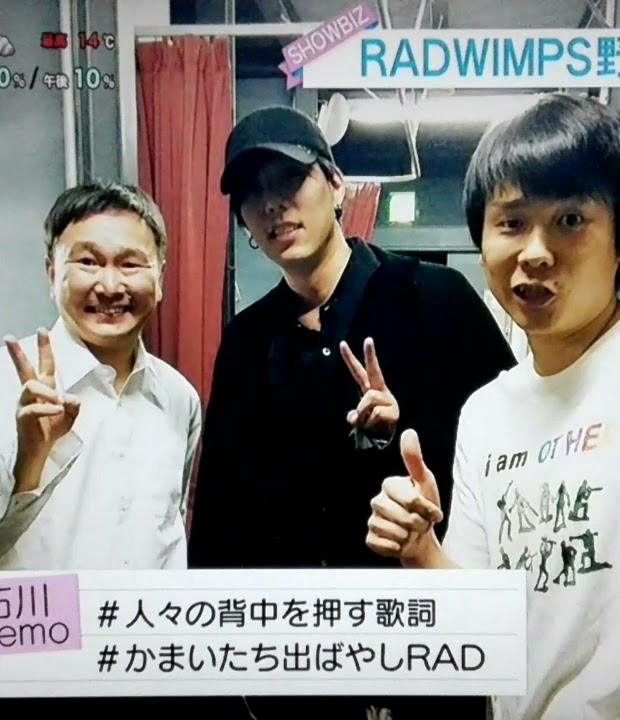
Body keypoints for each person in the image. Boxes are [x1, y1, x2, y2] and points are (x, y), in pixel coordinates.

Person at [366, 94, 620, 719]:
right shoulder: (487, 413)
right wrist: (420, 549)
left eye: (570, 220)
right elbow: (481, 623)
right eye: (511, 223)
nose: (534, 251)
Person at [188, 105, 516, 719]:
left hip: (426, 649)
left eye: (290, 180)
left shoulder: (435, 299)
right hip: (298, 670)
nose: (273, 204)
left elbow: (509, 457)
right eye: (252, 194)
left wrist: (404, 426)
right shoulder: (247, 342)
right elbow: (220, 514)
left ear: (336, 185)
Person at [0, 181, 201, 571]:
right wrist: (26, 460)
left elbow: (169, 539)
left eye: (130, 264)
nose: (110, 286)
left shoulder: (179, 397)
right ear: (52, 272)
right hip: (39, 614)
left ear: (159, 277)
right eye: (88, 262)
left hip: (146, 614)